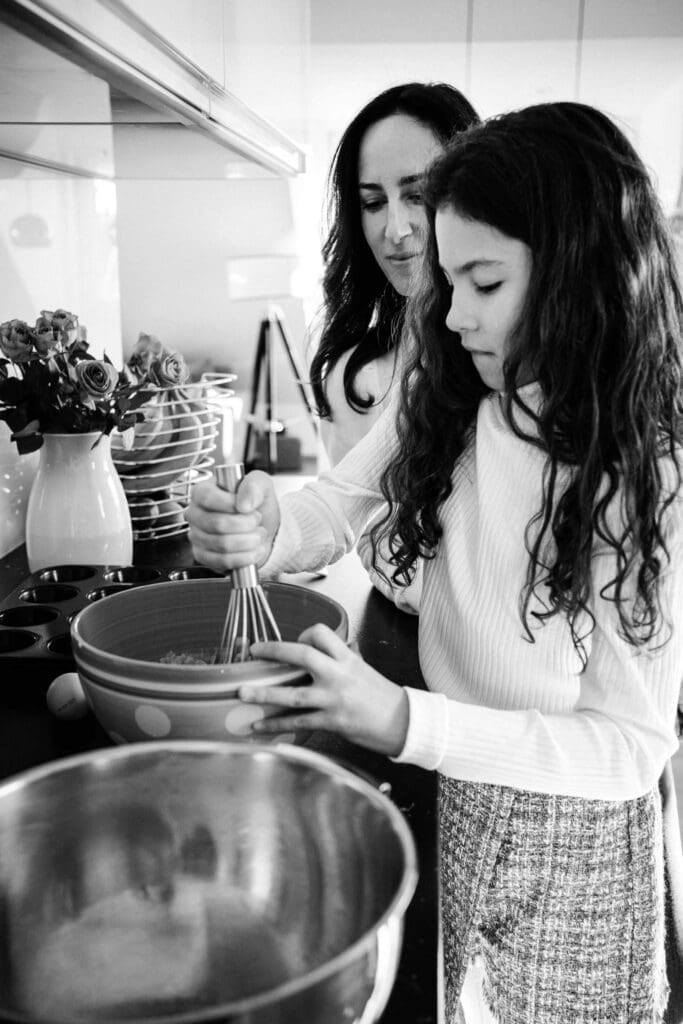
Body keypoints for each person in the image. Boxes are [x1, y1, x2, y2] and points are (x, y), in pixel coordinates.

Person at [187, 102, 683, 1023]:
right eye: (449, 282)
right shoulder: (455, 384)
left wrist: (403, 718)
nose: (452, 316)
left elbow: (629, 747)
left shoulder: (640, 468)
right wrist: (261, 529)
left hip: (571, 843)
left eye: (483, 282)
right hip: (462, 786)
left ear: (579, 273)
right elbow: (337, 505)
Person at [309, 82, 479, 613]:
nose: (395, 229)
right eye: (373, 202)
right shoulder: (357, 376)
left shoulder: (515, 356)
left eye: (418, 195)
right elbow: (355, 518)